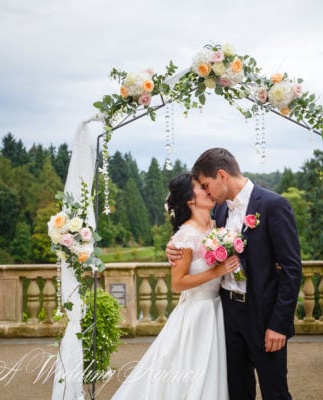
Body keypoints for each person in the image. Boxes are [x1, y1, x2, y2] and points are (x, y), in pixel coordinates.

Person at [167, 148, 302, 400]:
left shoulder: (274, 205)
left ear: (222, 176)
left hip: (263, 316)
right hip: (226, 314)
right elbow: (192, 241)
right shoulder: (219, 212)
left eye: (207, 186)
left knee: (275, 392)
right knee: (237, 391)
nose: (206, 193)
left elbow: (292, 270)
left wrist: (279, 325)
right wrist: (172, 250)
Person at [112, 173, 238, 400]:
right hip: (196, 314)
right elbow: (177, 283)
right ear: (190, 199)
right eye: (202, 187)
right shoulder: (185, 236)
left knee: (213, 372)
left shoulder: (216, 226)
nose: (209, 191)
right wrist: (216, 271)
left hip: (217, 309)